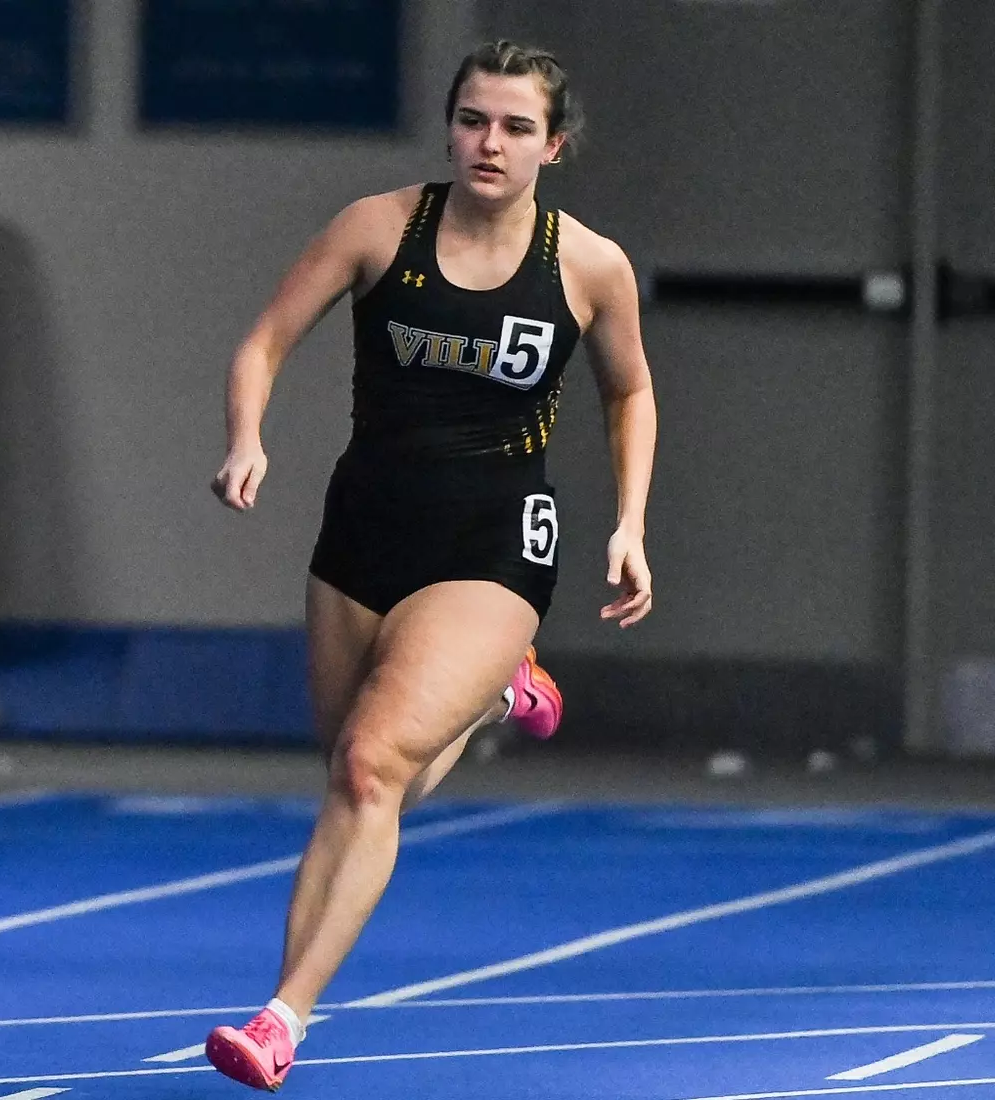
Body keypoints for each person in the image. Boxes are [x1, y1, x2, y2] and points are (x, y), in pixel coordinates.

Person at [201, 41, 656, 1090]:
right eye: (473, 120)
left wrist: (628, 521)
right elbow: (264, 340)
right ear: (450, 125)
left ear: (556, 144)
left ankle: (283, 1015)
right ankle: (497, 691)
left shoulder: (586, 264)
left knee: (370, 762)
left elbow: (628, 392)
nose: (488, 144)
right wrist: (246, 435)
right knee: (364, 778)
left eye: (515, 127)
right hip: (365, 530)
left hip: (492, 545)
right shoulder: (379, 227)